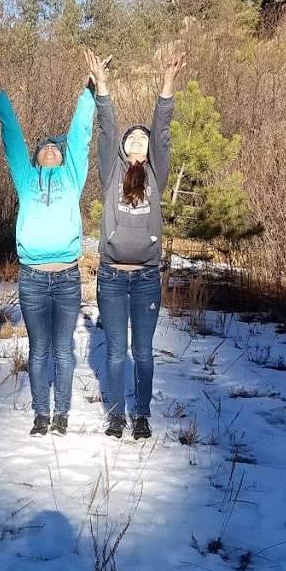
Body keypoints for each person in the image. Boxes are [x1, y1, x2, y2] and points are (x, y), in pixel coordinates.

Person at [0, 56, 94, 436]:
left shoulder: (72, 176)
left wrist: (89, 90)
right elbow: (12, 134)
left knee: (63, 350)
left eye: (54, 148)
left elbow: (79, 135)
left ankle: (61, 414)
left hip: (65, 278)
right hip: (31, 279)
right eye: (44, 147)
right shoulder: (26, 179)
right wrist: (0, 92)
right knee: (39, 349)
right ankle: (41, 415)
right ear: (35, 157)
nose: (50, 149)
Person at [90, 43, 185, 440]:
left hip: (146, 277)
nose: (136, 142)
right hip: (112, 277)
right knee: (115, 352)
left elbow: (160, 130)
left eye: (141, 141)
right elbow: (108, 128)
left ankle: (141, 414)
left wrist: (166, 82)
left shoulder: (155, 177)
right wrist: (103, 88)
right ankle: (115, 415)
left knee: (142, 353)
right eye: (132, 139)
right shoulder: (110, 175)